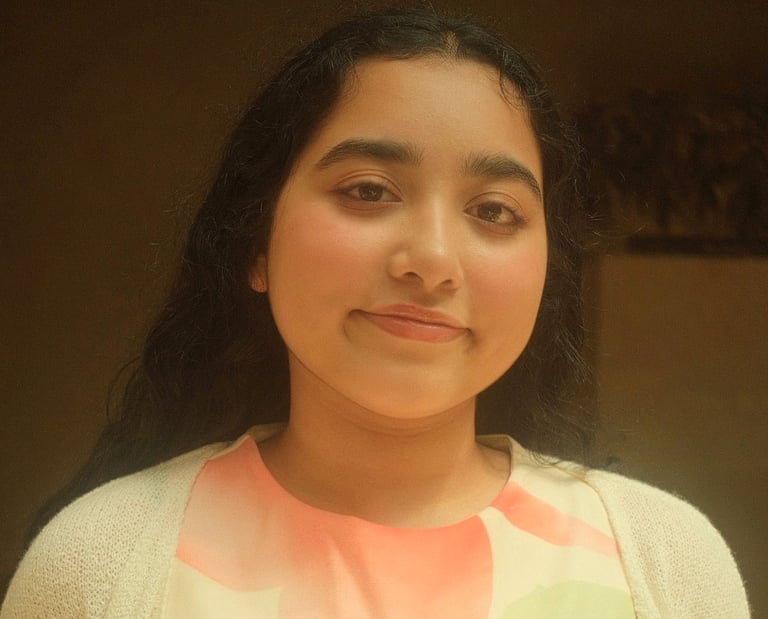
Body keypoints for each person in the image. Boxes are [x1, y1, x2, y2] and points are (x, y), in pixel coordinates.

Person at [1, 7, 749, 618]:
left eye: (494, 210)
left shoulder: (666, 565)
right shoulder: (101, 567)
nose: (432, 258)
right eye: (367, 191)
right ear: (254, 242)